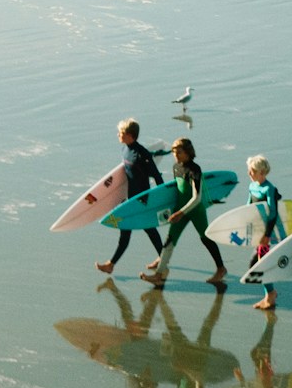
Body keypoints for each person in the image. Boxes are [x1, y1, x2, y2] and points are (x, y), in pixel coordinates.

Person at [143, 137, 228, 288]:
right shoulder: (176, 167)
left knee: (205, 238)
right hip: (179, 210)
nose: (176, 155)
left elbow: (197, 198)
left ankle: (221, 269)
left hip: (195, 210)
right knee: (170, 240)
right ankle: (160, 274)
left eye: (179, 152)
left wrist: (180, 213)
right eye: (174, 152)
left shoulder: (194, 169)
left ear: (188, 152)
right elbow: (176, 191)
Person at [95, 119, 166, 274]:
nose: (118, 135)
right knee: (146, 229)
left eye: (121, 133)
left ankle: (111, 264)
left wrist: (161, 199)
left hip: (142, 200)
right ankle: (162, 257)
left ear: (130, 135)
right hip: (130, 198)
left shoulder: (141, 154)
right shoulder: (124, 150)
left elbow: (156, 176)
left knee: (131, 228)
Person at [243, 155, 287, 313]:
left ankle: (270, 295)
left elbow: (273, 214)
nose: (249, 173)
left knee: (259, 264)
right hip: (257, 232)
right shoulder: (252, 186)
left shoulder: (270, 189)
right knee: (255, 265)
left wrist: (267, 235)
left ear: (262, 172)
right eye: (249, 170)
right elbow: (249, 206)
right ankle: (270, 294)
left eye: (252, 170)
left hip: (267, 234)